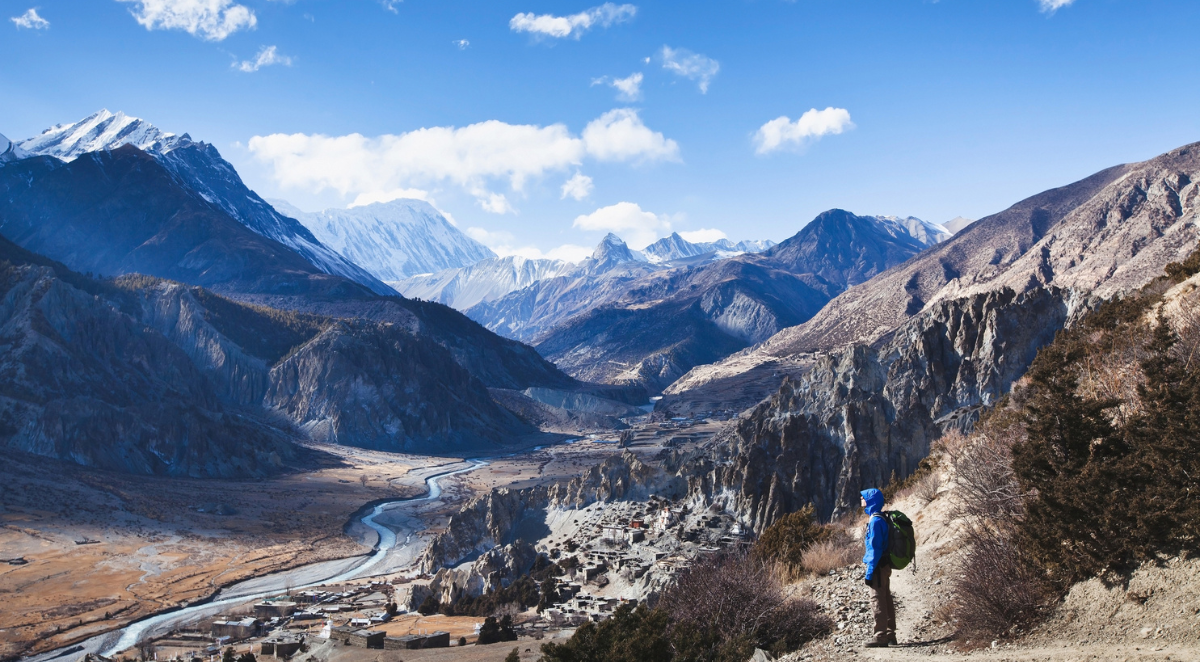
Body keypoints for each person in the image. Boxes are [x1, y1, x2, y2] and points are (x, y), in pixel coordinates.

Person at [861, 488, 896, 648]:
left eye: (863, 497)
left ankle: (880, 636)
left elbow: (875, 549)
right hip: (884, 565)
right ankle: (890, 634)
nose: (861, 499)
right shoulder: (880, 518)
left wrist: (869, 573)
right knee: (886, 597)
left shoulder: (875, 521)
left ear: (870, 501)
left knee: (877, 599)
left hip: (878, 566)